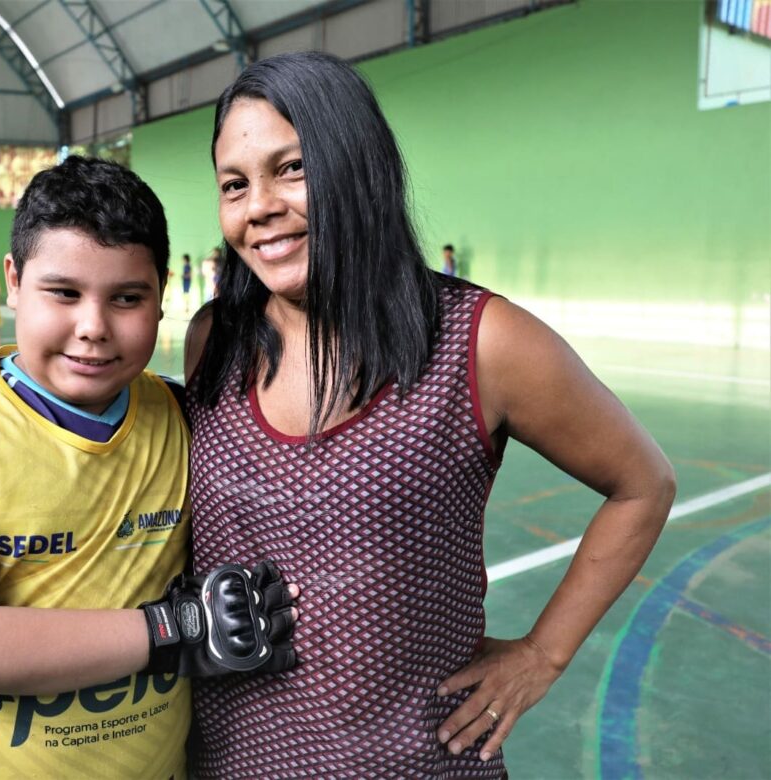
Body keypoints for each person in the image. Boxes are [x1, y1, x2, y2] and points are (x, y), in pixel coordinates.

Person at [183, 51, 676, 778]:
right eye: (235, 184)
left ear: (359, 166)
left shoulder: (481, 343)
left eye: (292, 169)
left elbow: (643, 484)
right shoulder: (212, 341)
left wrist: (544, 653)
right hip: (228, 761)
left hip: (417, 761)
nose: (258, 206)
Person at [0, 156, 297, 779]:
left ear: (158, 303)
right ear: (13, 281)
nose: (93, 327)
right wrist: (176, 628)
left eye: (127, 298)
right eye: (64, 293)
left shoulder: (182, 415)